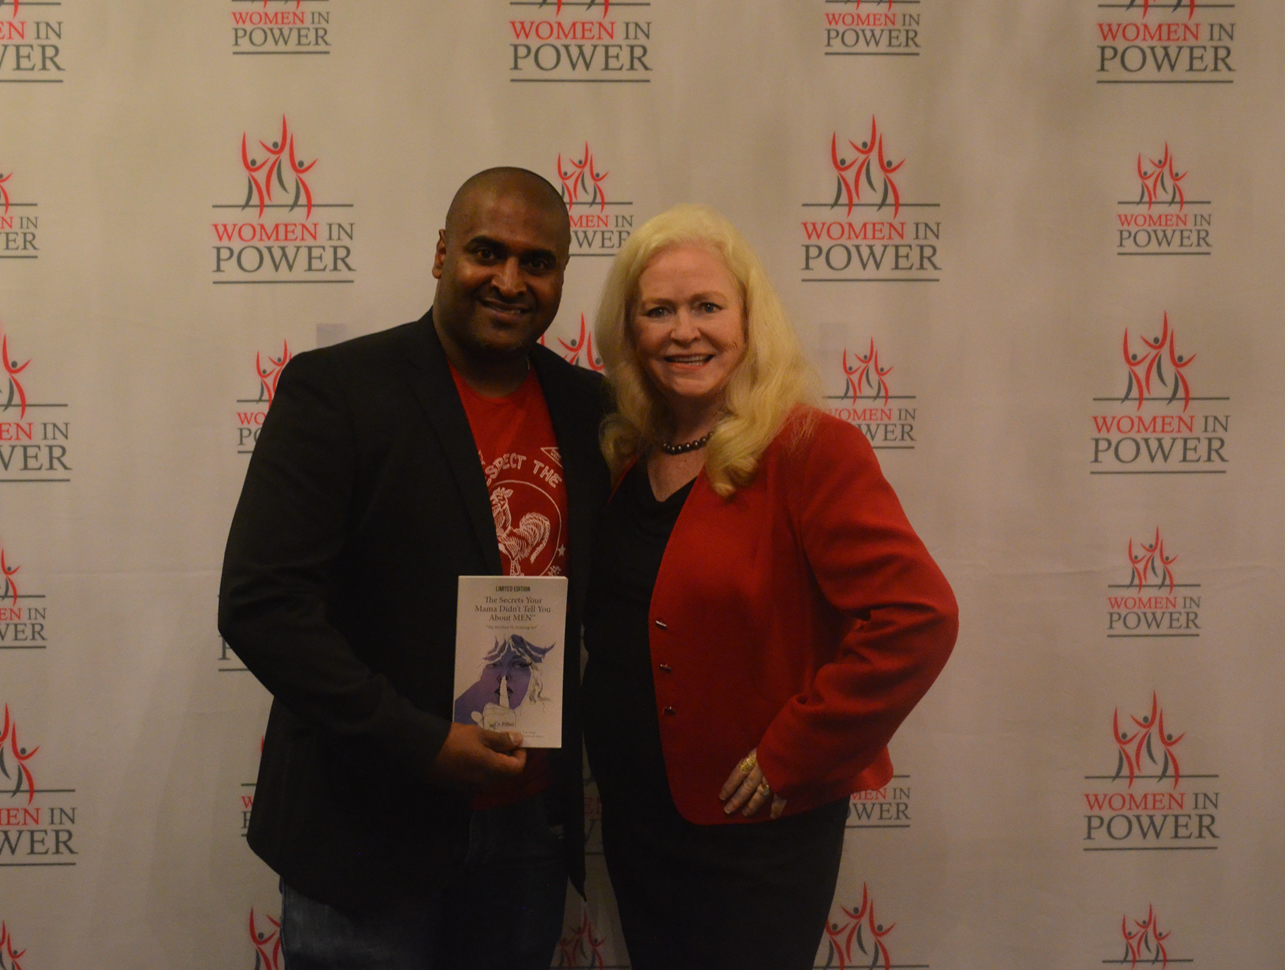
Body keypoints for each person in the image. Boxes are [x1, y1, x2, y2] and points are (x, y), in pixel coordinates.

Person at [219, 167, 611, 970]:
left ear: (562, 277)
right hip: (365, 827)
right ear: (441, 254)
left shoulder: (592, 409)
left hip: (527, 831)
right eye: (486, 252)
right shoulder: (339, 391)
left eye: (537, 263)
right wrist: (423, 744)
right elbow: (263, 607)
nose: (510, 281)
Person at [580, 205, 958, 970]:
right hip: (636, 815)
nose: (684, 331)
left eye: (707, 306)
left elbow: (918, 618)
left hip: (754, 830)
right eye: (658, 311)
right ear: (629, 331)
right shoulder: (627, 457)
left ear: (750, 321)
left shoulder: (810, 451)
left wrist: (795, 753)